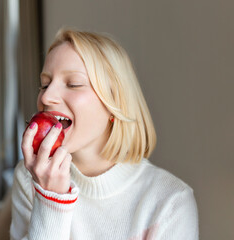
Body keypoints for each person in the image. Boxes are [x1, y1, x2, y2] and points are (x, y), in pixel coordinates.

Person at [10, 28, 199, 240]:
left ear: (114, 103)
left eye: (73, 84)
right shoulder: (29, 179)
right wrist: (50, 200)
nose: (46, 97)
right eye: (44, 85)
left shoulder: (170, 202)